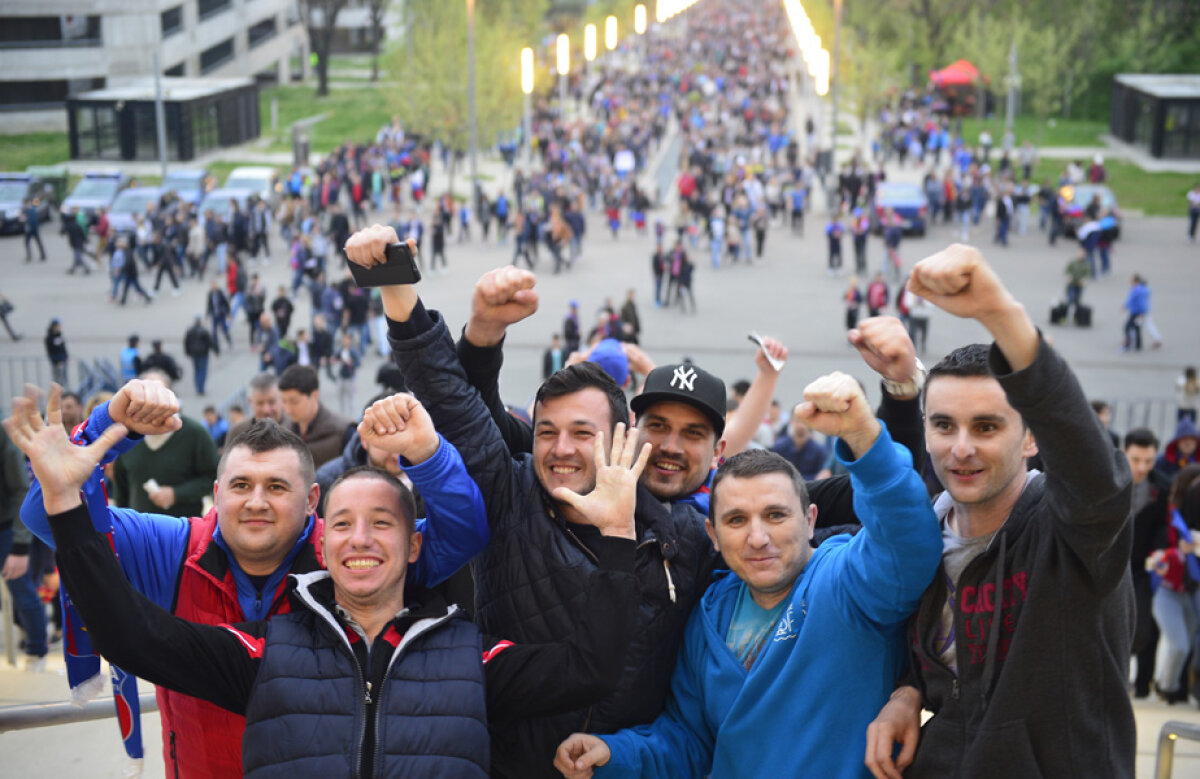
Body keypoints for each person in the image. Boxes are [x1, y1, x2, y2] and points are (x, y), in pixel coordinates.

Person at [344, 227, 930, 778]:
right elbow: (464, 411)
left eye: (693, 434)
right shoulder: (522, 483)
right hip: (507, 758)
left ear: (720, 450)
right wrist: (408, 295)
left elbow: (885, 523)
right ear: (630, 432)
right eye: (658, 426)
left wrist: (911, 684)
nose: (671, 447)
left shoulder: (705, 536)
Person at [17, 381, 490, 778]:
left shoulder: (354, 558)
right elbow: (50, 515)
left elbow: (463, 531)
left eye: (277, 487)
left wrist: (427, 452)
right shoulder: (172, 548)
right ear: (217, 494)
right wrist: (105, 427)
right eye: (241, 486)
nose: (256, 502)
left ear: (312, 500)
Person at [554, 373, 941, 779]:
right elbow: (691, 739)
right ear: (713, 535)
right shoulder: (710, 615)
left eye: (775, 515)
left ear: (810, 520)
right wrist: (616, 754)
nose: (758, 538)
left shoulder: (849, 582)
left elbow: (907, 541)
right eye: (736, 520)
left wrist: (864, 436)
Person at [864, 244, 1134, 779]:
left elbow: (1097, 481)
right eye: (943, 425)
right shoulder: (921, 540)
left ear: (1032, 436)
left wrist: (1002, 316)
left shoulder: (1076, 534)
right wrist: (908, 689)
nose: (961, 448)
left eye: (986, 427)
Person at [109, 370, 218, 519]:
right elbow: (121, 491)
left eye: (159, 393)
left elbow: (213, 477)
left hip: (183, 532)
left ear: (171, 396)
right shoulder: (126, 436)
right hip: (139, 534)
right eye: (146, 395)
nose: (153, 403)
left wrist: (176, 494)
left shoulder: (195, 433)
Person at [1124, 428, 1170, 699]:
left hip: (1142, 567)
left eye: (1149, 461)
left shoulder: (1161, 488)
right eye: (1136, 459)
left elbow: (1164, 526)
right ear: (1124, 453)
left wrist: (1162, 550)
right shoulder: (1106, 482)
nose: (1142, 467)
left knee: (1142, 630)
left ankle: (1141, 684)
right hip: (1104, 566)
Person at [0, 425, 49, 671]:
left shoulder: (3, 435)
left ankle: (37, 651)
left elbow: (21, 488)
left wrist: (20, 545)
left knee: (24, 592)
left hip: (7, 530)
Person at [277, 364, 356, 468]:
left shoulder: (345, 431)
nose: (288, 409)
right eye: (284, 401)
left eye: (294, 402)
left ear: (314, 395)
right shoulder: (282, 432)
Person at [772, 404, 829, 480]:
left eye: (804, 421)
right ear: (791, 421)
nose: (801, 425)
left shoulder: (819, 450)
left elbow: (821, 477)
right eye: (797, 420)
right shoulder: (780, 447)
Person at [184, 317, 216, 396]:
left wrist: (187, 352)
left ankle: (198, 387)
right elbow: (209, 342)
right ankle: (200, 388)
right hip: (203, 354)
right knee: (202, 371)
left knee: (197, 370)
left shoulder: (190, 331)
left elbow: (186, 342)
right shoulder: (204, 331)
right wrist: (215, 350)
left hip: (194, 354)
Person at [1121, 274, 1150, 352]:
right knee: (1137, 328)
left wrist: (1125, 306)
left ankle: (1127, 344)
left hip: (1136, 312)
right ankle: (1138, 345)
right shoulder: (1144, 289)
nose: (1130, 282)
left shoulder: (1136, 290)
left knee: (1127, 328)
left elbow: (1131, 300)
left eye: (1132, 280)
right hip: (1141, 312)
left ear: (1136, 281)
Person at [21, 197, 47, 262]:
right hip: (29, 229)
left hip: (34, 228)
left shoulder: (33, 209)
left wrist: (26, 219)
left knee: (38, 242)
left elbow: (32, 219)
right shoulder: (25, 210)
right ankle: (29, 256)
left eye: (28, 203)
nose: (27, 204)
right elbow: (22, 219)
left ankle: (42, 255)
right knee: (27, 242)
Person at [45, 318, 68, 387]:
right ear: (54, 326)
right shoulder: (50, 337)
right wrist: (57, 361)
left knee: (63, 377)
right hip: (56, 361)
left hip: (63, 360)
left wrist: (67, 356)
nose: (60, 327)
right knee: (58, 378)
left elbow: (63, 347)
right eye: (58, 326)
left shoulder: (59, 335)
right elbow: (51, 350)